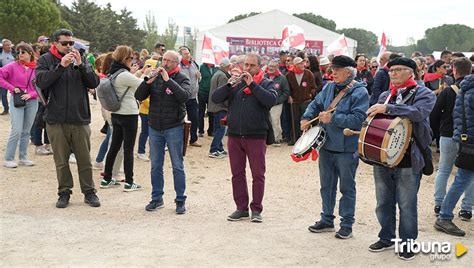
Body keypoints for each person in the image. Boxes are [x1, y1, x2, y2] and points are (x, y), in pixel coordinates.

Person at [366, 57, 435, 260]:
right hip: (383, 157)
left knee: (406, 204)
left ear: (411, 72)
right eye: (390, 70)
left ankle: (407, 244)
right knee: (383, 202)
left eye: (398, 70)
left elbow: (418, 113)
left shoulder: (424, 93)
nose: (393, 73)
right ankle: (386, 237)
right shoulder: (386, 95)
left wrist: (388, 109)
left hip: (409, 158)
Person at [301, 55, 369, 240]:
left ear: (348, 71)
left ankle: (346, 224)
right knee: (327, 186)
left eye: (337, 70)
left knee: (347, 187)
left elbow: (358, 120)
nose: (333, 72)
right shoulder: (329, 86)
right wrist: (306, 118)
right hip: (326, 144)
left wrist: (334, 118)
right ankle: (327, 219)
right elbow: (316, 104)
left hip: (347, 149)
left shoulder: (360, 92)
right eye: (332, 69)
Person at [36, 29, 101, 208]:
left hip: (79, 117)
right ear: (55, 44)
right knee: (61, 160)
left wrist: (82, 65)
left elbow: (94, 83)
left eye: (71, 43)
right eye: (64, 43)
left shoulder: (81, 58)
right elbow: (41, 82)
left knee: (84, 159)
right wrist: (60, 67)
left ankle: (89, 192)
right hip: (56, 119)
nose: (69, 47)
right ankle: (64, 192)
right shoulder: (45, 60)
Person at [212, 53, 277, 223]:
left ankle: (256, 209)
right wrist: (228, 84)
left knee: (258, 174)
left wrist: (253, 85)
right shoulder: (236, 83)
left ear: (259, 67)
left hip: (256, 136)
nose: (247, 69)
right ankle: (241, 208)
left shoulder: (266, 83)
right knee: (237, 174)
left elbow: (270, 100)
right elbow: (215, 98)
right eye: (245, 65)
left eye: (251, 66)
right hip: (234, 135)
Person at [135, 50, 191, 214]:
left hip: (173, 126)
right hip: (155, 126)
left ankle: (180, 200)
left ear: (176, 63)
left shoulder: (182, 78)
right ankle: (157, 198)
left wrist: (168, 80)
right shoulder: (155, 76)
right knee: (155, 165)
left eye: (168, 61)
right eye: (163, 60)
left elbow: (184, 97)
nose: (164, 63)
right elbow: (138, 95)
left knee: (177, 166)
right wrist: (147, 82)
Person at [431, 57, 473, 222]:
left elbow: (434, 114)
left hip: (448, 134)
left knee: (444, 170)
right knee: (469, 173)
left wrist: (435, 133)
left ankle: (439, 204)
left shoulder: (448, 91)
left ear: (454, 71)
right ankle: (466, 209)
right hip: (469, 138)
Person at [100, 45, 143, 192]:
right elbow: (142, 85)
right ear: (125, 58)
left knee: (114, 147)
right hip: (129, 114)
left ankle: (107, 178)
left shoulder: (114, 72)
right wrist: (146, 74)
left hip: (116, 113)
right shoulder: (124, 75)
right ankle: (129, 182)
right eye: (131, 58)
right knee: (128, 149)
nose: (133, 60)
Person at [0, 43, 39, 168]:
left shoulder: (37, 68)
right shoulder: (12, 66)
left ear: (30, 53)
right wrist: (11, 88)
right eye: (18, 52)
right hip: (17, 101)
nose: (20, 54)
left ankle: (23, 157)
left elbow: (41, 85)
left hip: (32, 101)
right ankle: (8, 158)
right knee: (16, 129)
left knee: (26, 131)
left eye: (23, 52)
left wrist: (31, 94)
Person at [286, 57, 316, 145]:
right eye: (300, 63)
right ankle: (295, 139)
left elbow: (313, 86)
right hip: (294, 102)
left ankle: (306, 140)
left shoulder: (308, 73)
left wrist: (310, 94)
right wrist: (289, 96)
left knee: (305, 120)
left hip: (306, 101)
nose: (303, 65)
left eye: (303, 63)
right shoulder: (289, 75)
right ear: (295, 65)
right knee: (295, 121)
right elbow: (287, 88)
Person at [208, 58, 231, 158]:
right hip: (220, 107)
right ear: (226, 66)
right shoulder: (222, 76)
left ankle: (220, 148)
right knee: (221, 129)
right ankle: (214, 149)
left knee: (219, 128)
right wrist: (229, 105)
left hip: (215, 106)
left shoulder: (217, 74)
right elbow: (223, 94)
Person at [179, 46, 202, 147]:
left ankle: (193, 139)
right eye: (185, 54)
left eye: (188, 53)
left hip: (193, 97)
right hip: (182, 97)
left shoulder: (194, 64)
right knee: (180, 120)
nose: (187, 55)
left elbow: (198, 79)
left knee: (194, 119)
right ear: (180, 55)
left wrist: (199, 76)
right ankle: (180, 140)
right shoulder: (178, 66)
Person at [265, 58, 290, 146]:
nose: (271, 68)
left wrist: (279, 100)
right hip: (265, 103)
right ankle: (268, 138)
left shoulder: (282, 78)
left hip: (277, 104)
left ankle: (277, 139)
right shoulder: (265, 76)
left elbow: (286, 91)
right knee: (267, 120)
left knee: (275, 121)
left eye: (273, 66)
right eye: (270, 66)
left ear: (277, 67)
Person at [198, 61, 218, 137]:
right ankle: (200, 130)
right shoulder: (202, 67)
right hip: (202, 92)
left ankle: (211, 131)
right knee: (201, 112)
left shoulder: (216, 67)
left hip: (212, 93)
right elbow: (199, 77)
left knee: (211, 112)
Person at [0, 39, 15, 115]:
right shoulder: (1, 54)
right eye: (7, 45)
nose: (9, 46)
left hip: (14, 76)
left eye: (9, 45)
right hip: (4, 77)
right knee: (3, 94)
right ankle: (6, 109)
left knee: (16, 92)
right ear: (3, 46)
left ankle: (17, 107)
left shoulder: (15, 53)